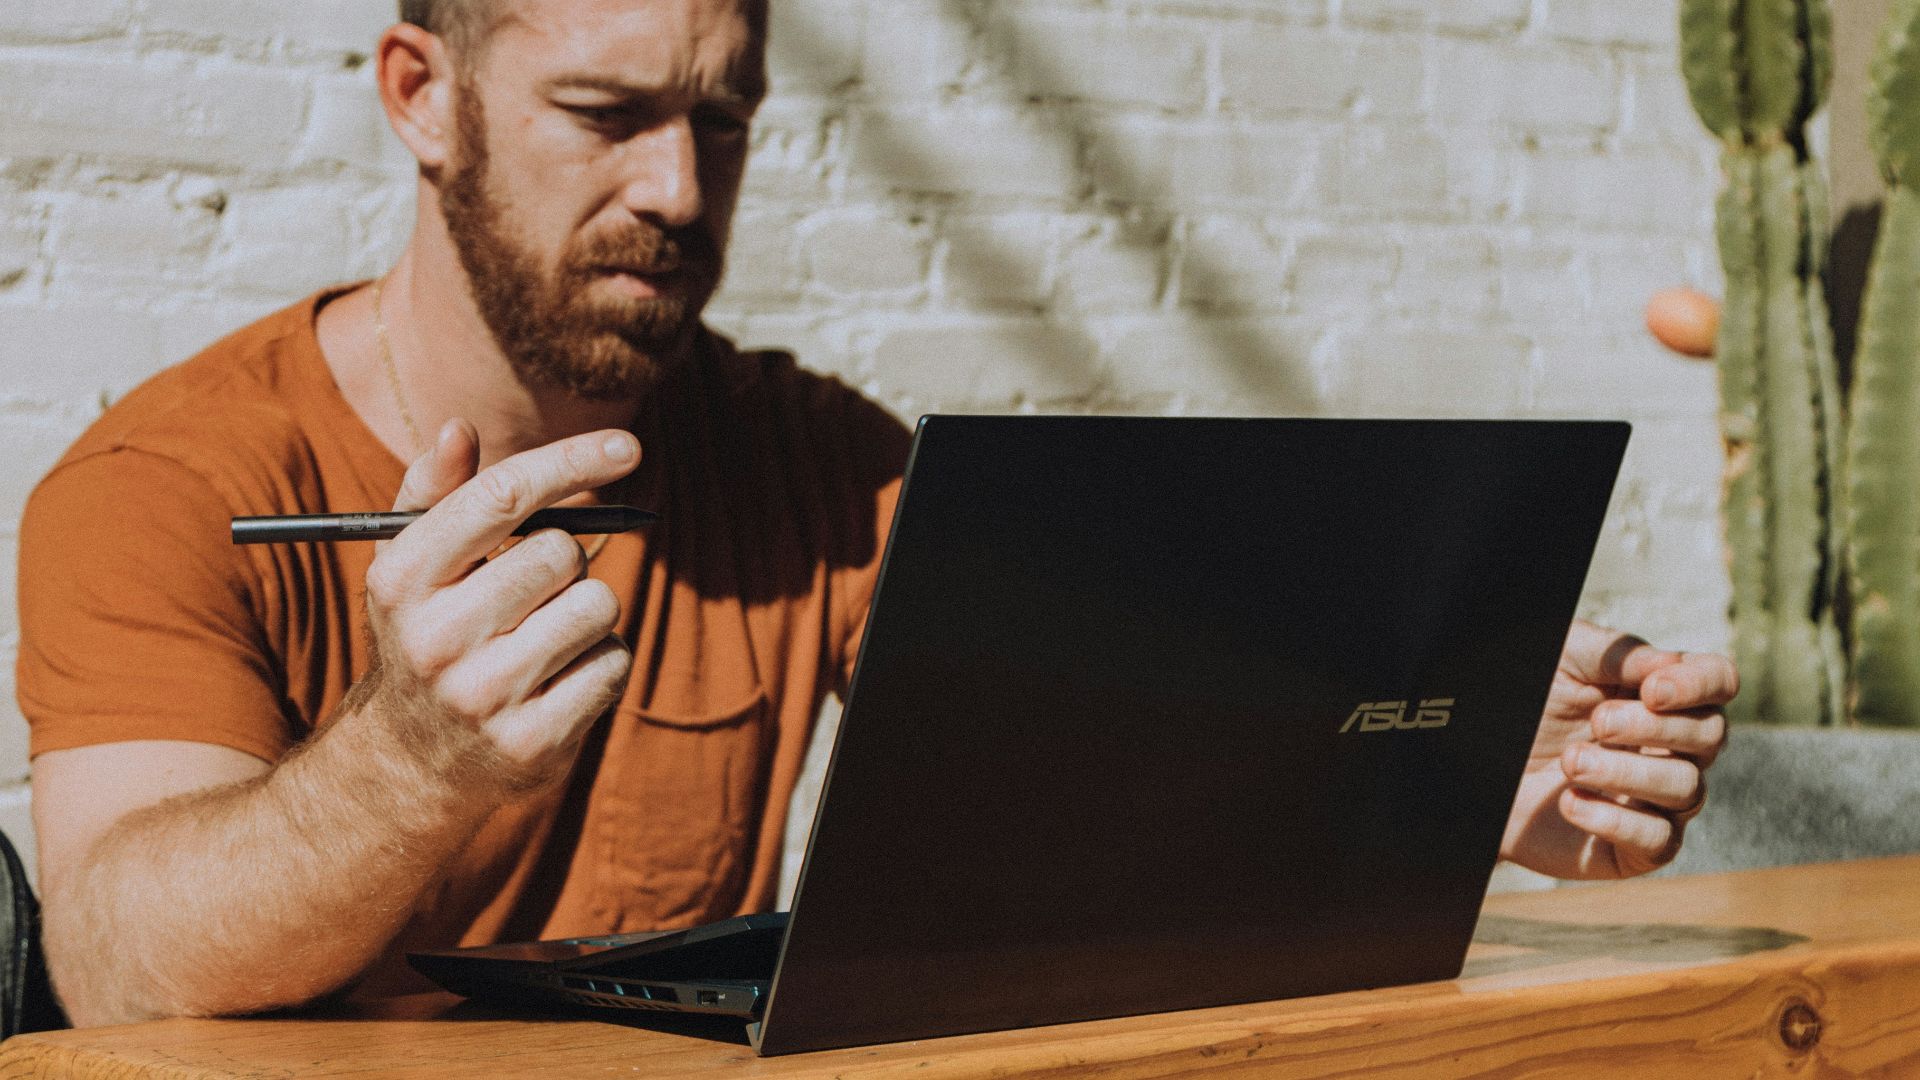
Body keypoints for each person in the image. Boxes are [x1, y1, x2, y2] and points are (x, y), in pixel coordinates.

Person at [13, 0, 1736, 1029]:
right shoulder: (173, 487)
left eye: (725, 121)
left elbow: (1124, 733)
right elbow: (110, 966)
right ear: (422, 94)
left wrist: (1431, 777)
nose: (678, 190)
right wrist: (404, 761)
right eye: (606, 117)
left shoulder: (809, 467)